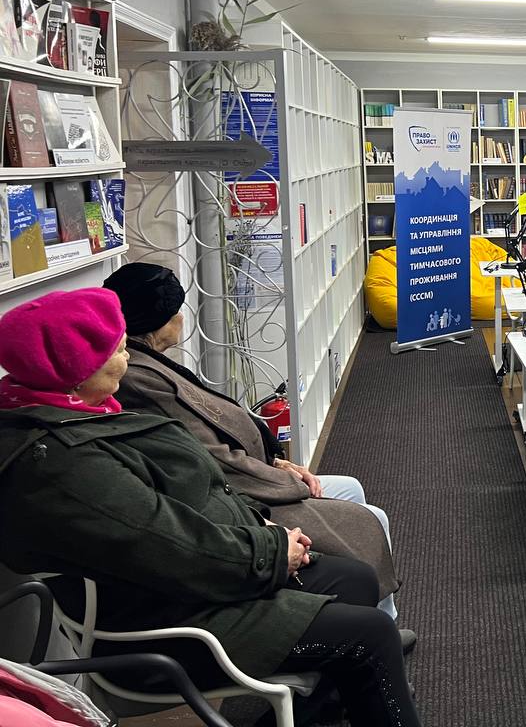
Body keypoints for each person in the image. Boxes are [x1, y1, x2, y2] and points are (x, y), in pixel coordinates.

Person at [0, 289, 420, 727]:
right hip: (166, 627)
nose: (126, 359)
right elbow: (166, 545)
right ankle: (357, 688)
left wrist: (264, 534)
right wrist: (273, 550)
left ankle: (325, 706)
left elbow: (172, 519)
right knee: (371, 636)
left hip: (188, 589)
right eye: (118, 351)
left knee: (355, 579)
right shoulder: (60, 463)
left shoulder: (72, 417)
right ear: (75, 370)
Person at [103, 263, 407, 632]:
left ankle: (378, 616)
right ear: (161, 320)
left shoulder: (148, 366)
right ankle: (377, 623)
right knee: (370, 518)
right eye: (176, 311)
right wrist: (283, 478)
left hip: (251, 478)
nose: (182, 318)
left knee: (353, 492)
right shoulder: (141, 379)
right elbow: (213, 460)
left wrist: (279, 464)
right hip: (242, 497)